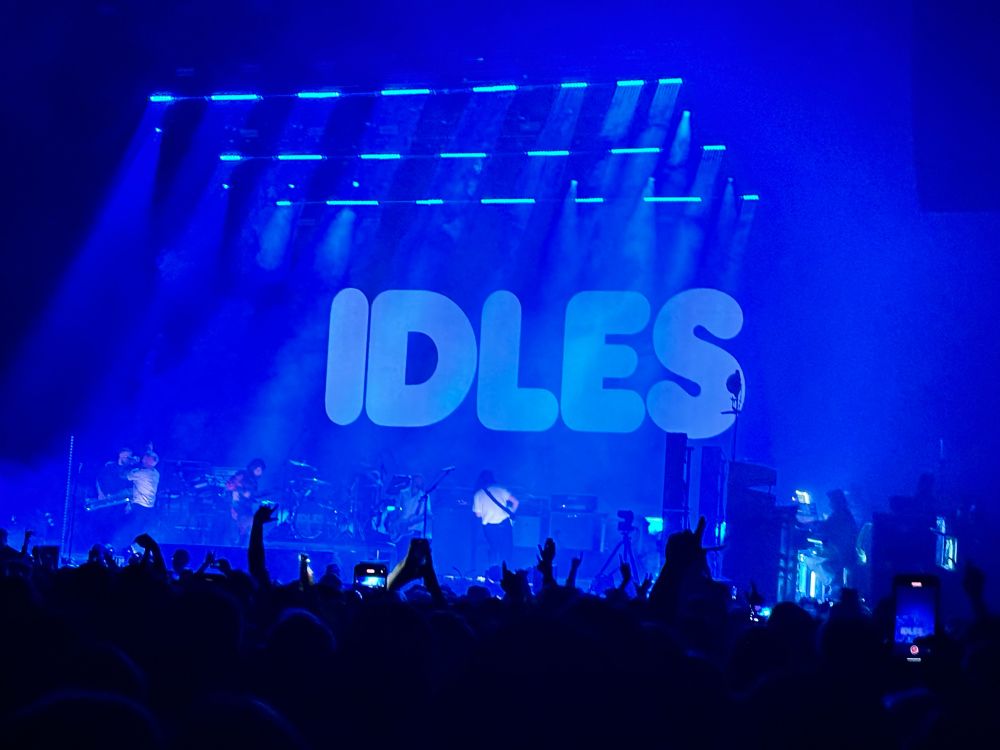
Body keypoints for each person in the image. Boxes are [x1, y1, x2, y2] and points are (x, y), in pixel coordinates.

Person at [472, 469, 518, 570]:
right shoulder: (501, 489)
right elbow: (516, 502)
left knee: (494, 549)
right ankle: (508, 574)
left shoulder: (478, 494)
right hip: (504, 525)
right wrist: (511, 512)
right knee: (507, 551)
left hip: (489, 527)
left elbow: (478, 515)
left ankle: (493, 574)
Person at [226, 458, 266, 545]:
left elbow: (251, 494)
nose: (260, 472)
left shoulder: (254, 480)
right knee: (242, 526)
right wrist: (242, 492)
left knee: (248, 528)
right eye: (258, 469)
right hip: (238, 506)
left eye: (261, 470)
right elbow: (230, 484)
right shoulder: (242, 474)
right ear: (253, 468)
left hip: (246, 507)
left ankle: (241, 545)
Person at [390, 473, 432, 543]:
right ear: (412, 481)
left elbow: (428, 513)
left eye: (420, 481)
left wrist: (419, 518)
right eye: (416, 481)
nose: (418, 483)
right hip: (401, 527)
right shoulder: (403, 493)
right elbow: (397, 508)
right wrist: (394, 522)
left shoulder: (424, 496)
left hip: (416, 529)